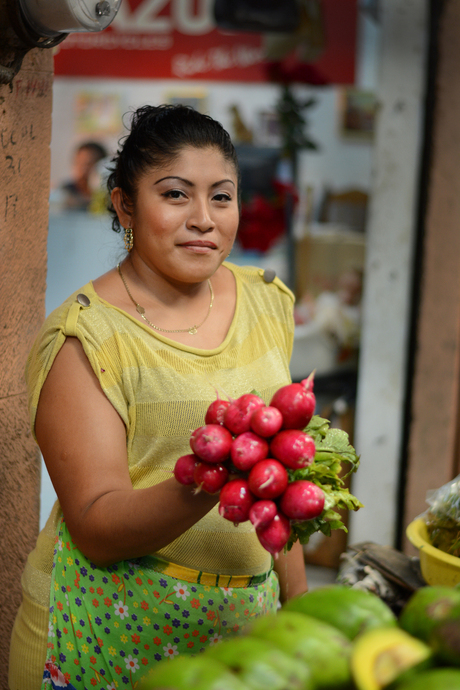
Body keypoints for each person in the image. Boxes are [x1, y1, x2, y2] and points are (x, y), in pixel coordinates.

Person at [9, 104, 308, 690]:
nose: (204, 219)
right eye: (176, 195)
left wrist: (298, 607)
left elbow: (277, 469)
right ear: (124, 205)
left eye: (221, 197)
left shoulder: (268, 301)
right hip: (102, 637)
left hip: (237, 639)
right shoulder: (86, 337)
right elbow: (95, 524)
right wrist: (214, 473)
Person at [60, 141, 108, 211]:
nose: (83, 168)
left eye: (88, 164)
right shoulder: (67, 190)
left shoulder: (108, 193)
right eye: (79, 163)